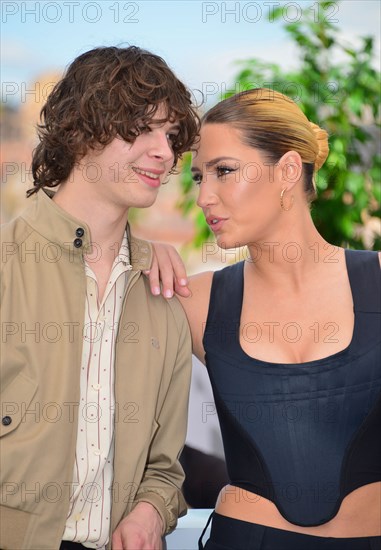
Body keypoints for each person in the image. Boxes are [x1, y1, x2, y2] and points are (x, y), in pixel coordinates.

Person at [148, 88, 381, 549]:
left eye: (225, 171)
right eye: (199, 178)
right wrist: (136, 251)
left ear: (288, 171)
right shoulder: (195, 301)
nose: (204, 197)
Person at [0, 46, 200, 550]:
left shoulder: (164, 293)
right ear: (81, 128)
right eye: (143, 128)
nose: (165, 153)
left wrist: (153, 511)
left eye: (172, 136)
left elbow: (165, 467)